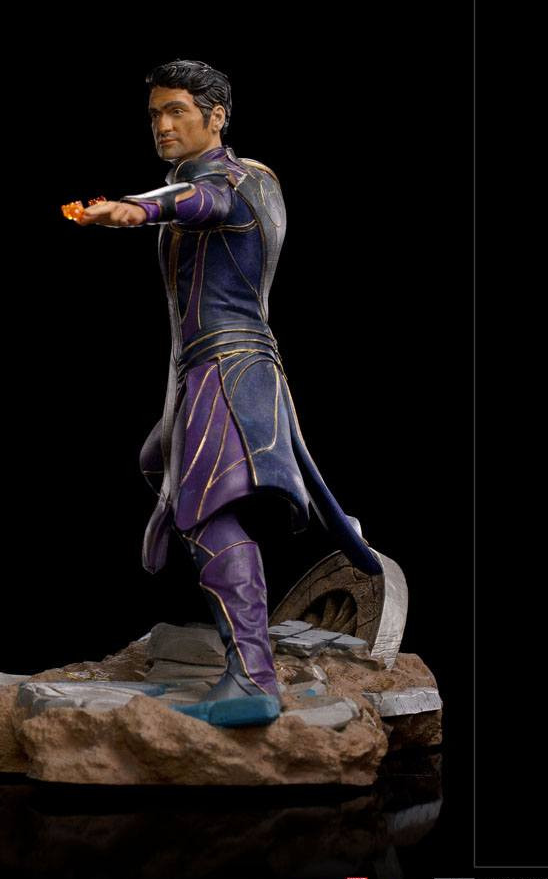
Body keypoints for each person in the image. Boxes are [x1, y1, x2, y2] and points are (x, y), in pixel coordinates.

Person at [73, 59, 382, 712]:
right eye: (155, 113)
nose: (162, 124)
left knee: (203, 512)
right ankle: (241, 642)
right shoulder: (234, 179)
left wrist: (135, 207)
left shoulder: (233, 182)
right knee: (158, 462)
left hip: (228, 368)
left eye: (177, 110)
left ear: (216, 116)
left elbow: (200, 201)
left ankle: (252, 679)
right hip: (215, 371)